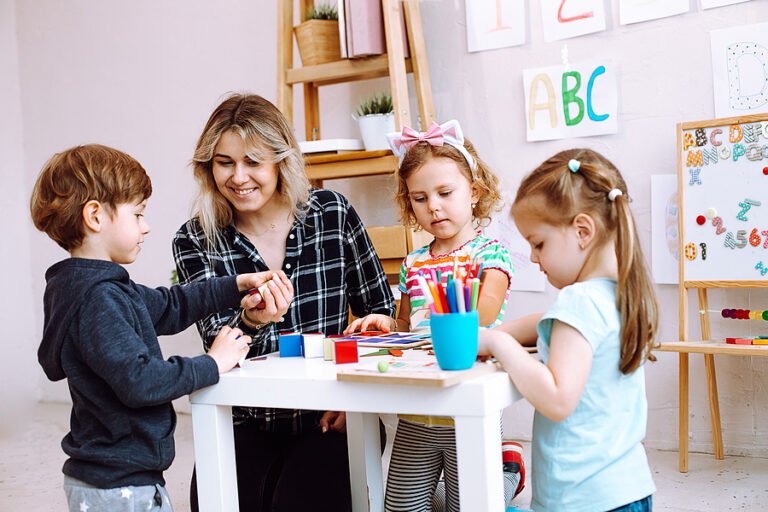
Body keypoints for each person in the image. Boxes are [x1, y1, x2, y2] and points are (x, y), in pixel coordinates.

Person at [172, 93, 395, 512]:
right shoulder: (195, 239)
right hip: (243, 418)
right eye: (225, 162)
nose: (239, 177)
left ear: (280, 160)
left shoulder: (333, 214)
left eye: (253, 161)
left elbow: (379, 312)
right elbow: (216, 343)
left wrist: (357, 400)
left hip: (330, 415)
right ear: (208, 166)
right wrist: (252, 322)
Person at [30, 144, 278, 512]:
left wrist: (236, 285)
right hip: (120, 485)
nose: (146, 226)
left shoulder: (94, 287)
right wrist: (212, 363)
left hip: (114, 479)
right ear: (95, 216)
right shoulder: (99, 299)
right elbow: (141, 381)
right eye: (138, 214)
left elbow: (171, 305)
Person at [344, 120, 525, 512]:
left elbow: (485, 314)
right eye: (420, 198)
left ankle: (509, 472)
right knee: (401, 507)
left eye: (445, 193)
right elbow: (406, 324)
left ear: (474, 192)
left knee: (471, 505)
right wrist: (385, 323)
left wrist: (444, 302)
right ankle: (497, 474)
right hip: (418, 407)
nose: (434, 206)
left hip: (466, 404)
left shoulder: (490, 253)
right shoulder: (413, 263)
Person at [478, 148, 658, 512]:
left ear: (582, 231)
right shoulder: (618, 296)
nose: (533, 257)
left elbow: (557, 399)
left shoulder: (579, 301)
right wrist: (489, 334)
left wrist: (497, 342)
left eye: (538, 243)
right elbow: (546, 321)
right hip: (629, 491)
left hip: (584, 500)